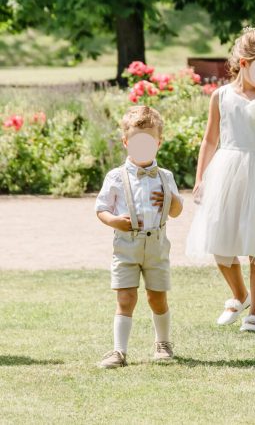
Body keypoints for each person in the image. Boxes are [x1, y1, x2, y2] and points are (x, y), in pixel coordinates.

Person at [186, 27, 255, 332]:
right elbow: (209, 140)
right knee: (219, 243)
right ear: (244, 63)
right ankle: (239, 294)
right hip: (226, 172)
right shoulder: (220, 96)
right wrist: (200, 178)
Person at [95, 105, 183, 368]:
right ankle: (118, 351)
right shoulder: (116, 177)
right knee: (125, 297)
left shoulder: (165, 177)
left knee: (157, 296)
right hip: (126, 245)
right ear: (125, 142)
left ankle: (163, 343)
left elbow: (177, 211)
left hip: (156, 244)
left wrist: (170, 199)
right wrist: (114, 221)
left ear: (158, 142)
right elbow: (101, 208)